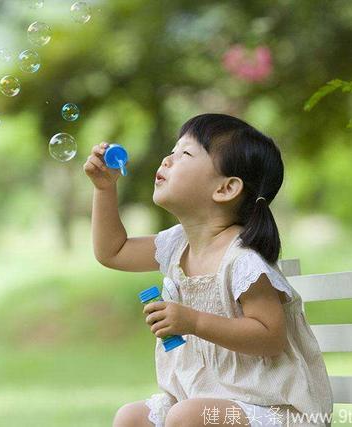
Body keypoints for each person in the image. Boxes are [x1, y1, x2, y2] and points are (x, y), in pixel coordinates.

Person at [84, 113, 333, 427]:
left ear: (226, 188)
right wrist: (105, 190)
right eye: (172, 151)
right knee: (131, 418)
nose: (167, 159)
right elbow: (113, 251)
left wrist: (194, 321)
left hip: (273, 411)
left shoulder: (242, 260)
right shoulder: (177, 245)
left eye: (184, 154)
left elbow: (270, 336)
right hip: (200, 404)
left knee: (186, 416)